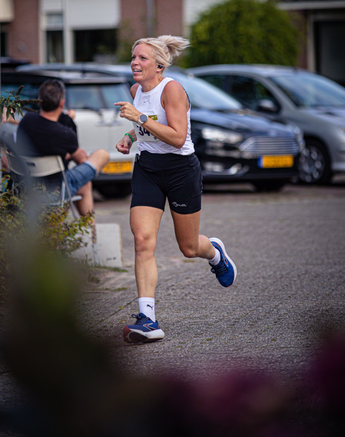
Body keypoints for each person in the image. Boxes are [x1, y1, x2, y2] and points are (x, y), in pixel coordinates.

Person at [115, 35, 237, 344]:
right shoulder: (135, 91)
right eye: (133, 57)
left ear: (159, 65)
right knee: (142, 241)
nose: (134, 62)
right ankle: (148, 318)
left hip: (181, 170)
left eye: (142, 58)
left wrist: (138, 117)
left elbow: (178, 137)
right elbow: (147, 126)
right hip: (148, 170)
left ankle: (215, 253)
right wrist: (131, 137)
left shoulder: (172, 90)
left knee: (188, 247)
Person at [17, 78, 109, 218]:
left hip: (26, 187)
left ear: (38, 100)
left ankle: (88, 233)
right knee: (102, 155)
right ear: (62, 103)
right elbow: (81, 161)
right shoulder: (65, 134)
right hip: (55, 190)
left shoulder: (27, 120)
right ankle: (91, 234)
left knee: (84, 185)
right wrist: (71, 154)